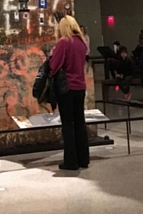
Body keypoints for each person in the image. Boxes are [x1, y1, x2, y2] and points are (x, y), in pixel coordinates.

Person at [49, 14, 89, 171]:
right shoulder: (81, 43)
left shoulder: (64, 43)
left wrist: (52, 57)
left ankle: (71, 161)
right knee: (80, 123)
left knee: (68, 125)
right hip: (81, 87)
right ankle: (83, 159)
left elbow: (54, 66)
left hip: (67, 89)